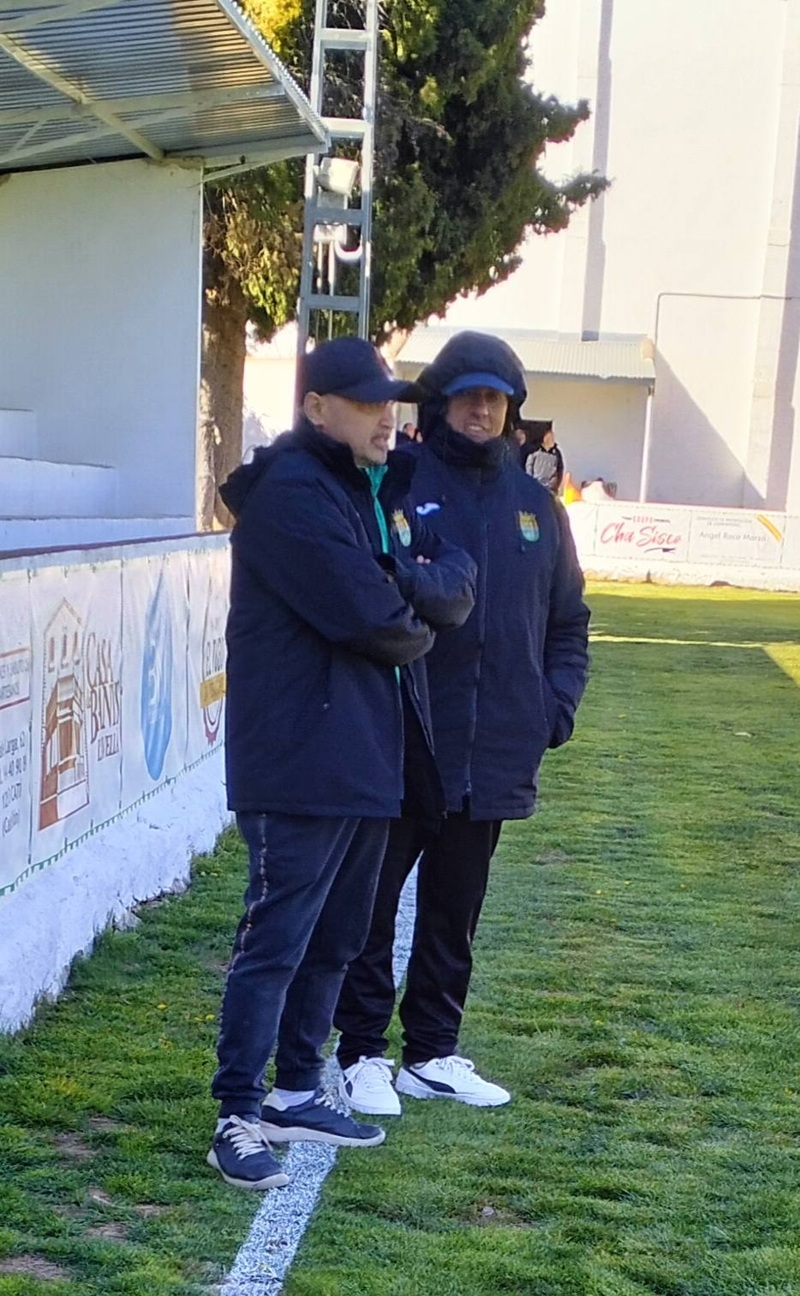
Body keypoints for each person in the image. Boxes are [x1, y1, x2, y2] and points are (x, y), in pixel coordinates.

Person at [208, 336, 477, 1190]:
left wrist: (406, 596)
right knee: (276, 942)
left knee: (336, 940)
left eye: (390, 404)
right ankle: (236, 1113)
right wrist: (411, 607)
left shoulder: (365, 489)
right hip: (299, 760)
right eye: (366, 404)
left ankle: (295, 1089)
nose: (385, 419)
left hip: (362, 755)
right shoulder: (292, 493)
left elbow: (443, 583)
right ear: (316, 408)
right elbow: (379, 621)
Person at [334, 330, 589, 1114]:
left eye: (495, 397)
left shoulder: (537, 507)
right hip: (405, 742)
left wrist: (553, 709)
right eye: (468, 395)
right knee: (371, 907)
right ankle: (361, 1053)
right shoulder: (399, 485)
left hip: (495, 749)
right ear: (441, 403)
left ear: (512, 409)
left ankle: (432, 1053)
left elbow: (568, 622)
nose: (481, 409)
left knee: (454, 911)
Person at [525, 423, 564, 495]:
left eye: (553, 438)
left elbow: (560, 469)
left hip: (551, 489)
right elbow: (529, 467)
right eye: (550, 438)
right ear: (545, 438)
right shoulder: (534, 451)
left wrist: (556, 485)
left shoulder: (556, 453)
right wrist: (531, 483)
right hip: (537, 486)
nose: (552, 440)